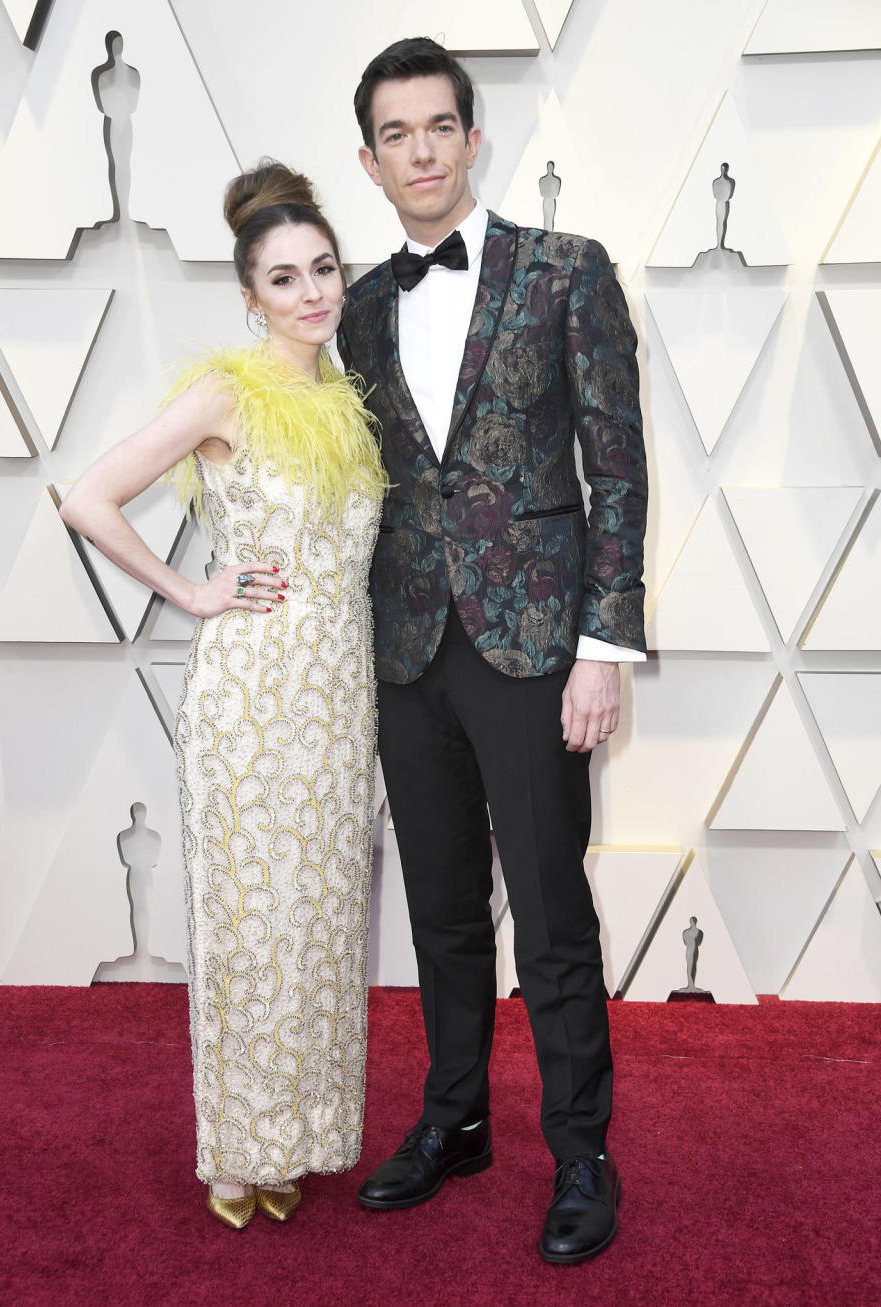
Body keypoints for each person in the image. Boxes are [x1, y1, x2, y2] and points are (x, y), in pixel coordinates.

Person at [337, 39, 647, 1265]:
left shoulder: (568, 272)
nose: (421, 150)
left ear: (475, 138)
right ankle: (455, 1114)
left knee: (555, 910)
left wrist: (604, 643)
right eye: (395, 135)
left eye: (438, 127)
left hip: (533, 643)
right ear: (370, 160)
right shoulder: (355, 308)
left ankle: (582, 1149)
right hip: (406, 642)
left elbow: (614, 465)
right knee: (442, 907)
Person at [60, 161, 389, 1231]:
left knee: (321, 921)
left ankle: (295, 1135)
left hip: (339, 698)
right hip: (250, 699)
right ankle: (236, 1152)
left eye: (324, 269)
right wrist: (188, 589)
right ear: (250, 296)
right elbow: (86, 496)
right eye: (284, 278)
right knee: (251, 924)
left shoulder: (347, 401)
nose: (312, 293)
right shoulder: (225, 392)